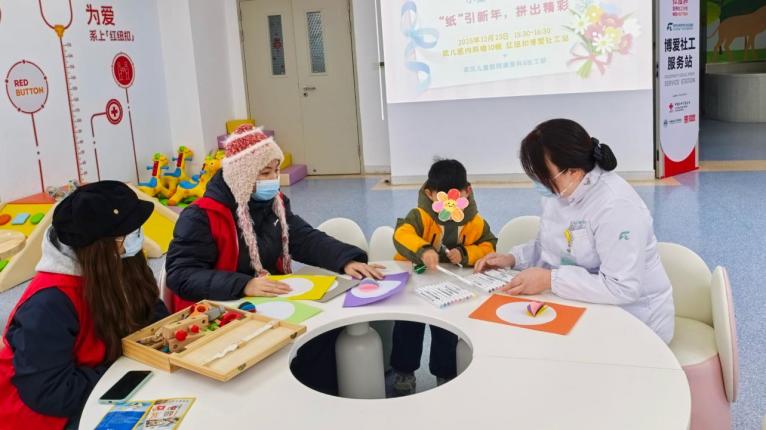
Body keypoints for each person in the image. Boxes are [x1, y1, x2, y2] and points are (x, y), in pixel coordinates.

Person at [165, 124, 383, 394]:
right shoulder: (201, 216)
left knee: (322, 335)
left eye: (276, 171)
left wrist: (346, 260)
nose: (274, 180)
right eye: (265, 173)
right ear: (242, 175)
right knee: (289, 355)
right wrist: (244, 284)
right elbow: (181, 274)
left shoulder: (273, 203)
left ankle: (320, 402)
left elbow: (302, 238)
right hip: (225, 314)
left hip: (269, 303)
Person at [475, 119, 674, 343]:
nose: (539, 183)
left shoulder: (616, 207)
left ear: (574, 172)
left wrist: (550, 280)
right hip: (582, 306)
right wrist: (513, 259)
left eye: (544, 175)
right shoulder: (560, 192)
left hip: (636, 319)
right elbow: (551, 248)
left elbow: (622, 287)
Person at [0, 181, 168, 429]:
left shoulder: (122, 263)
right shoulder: (49, 303)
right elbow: (51, 392)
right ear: (106, 244)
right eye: (130, 232)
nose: (138, 237)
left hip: (103, 386)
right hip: (47, 417)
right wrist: (127, 369)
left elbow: (152, 312)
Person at [391, 159, 497, 395]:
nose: (449, 203)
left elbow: (489, 245)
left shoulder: (475, 221)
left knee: (447, 328)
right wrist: (423, 250)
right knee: (408, 326)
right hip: (414, 284)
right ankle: (404, 371)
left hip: (450, 287)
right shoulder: (419, 216)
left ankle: (445, 373)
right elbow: (402, 235)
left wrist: (466, 253)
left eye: (455, 195)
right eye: (442, 196)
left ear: (467, 191)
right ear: (429, 193)